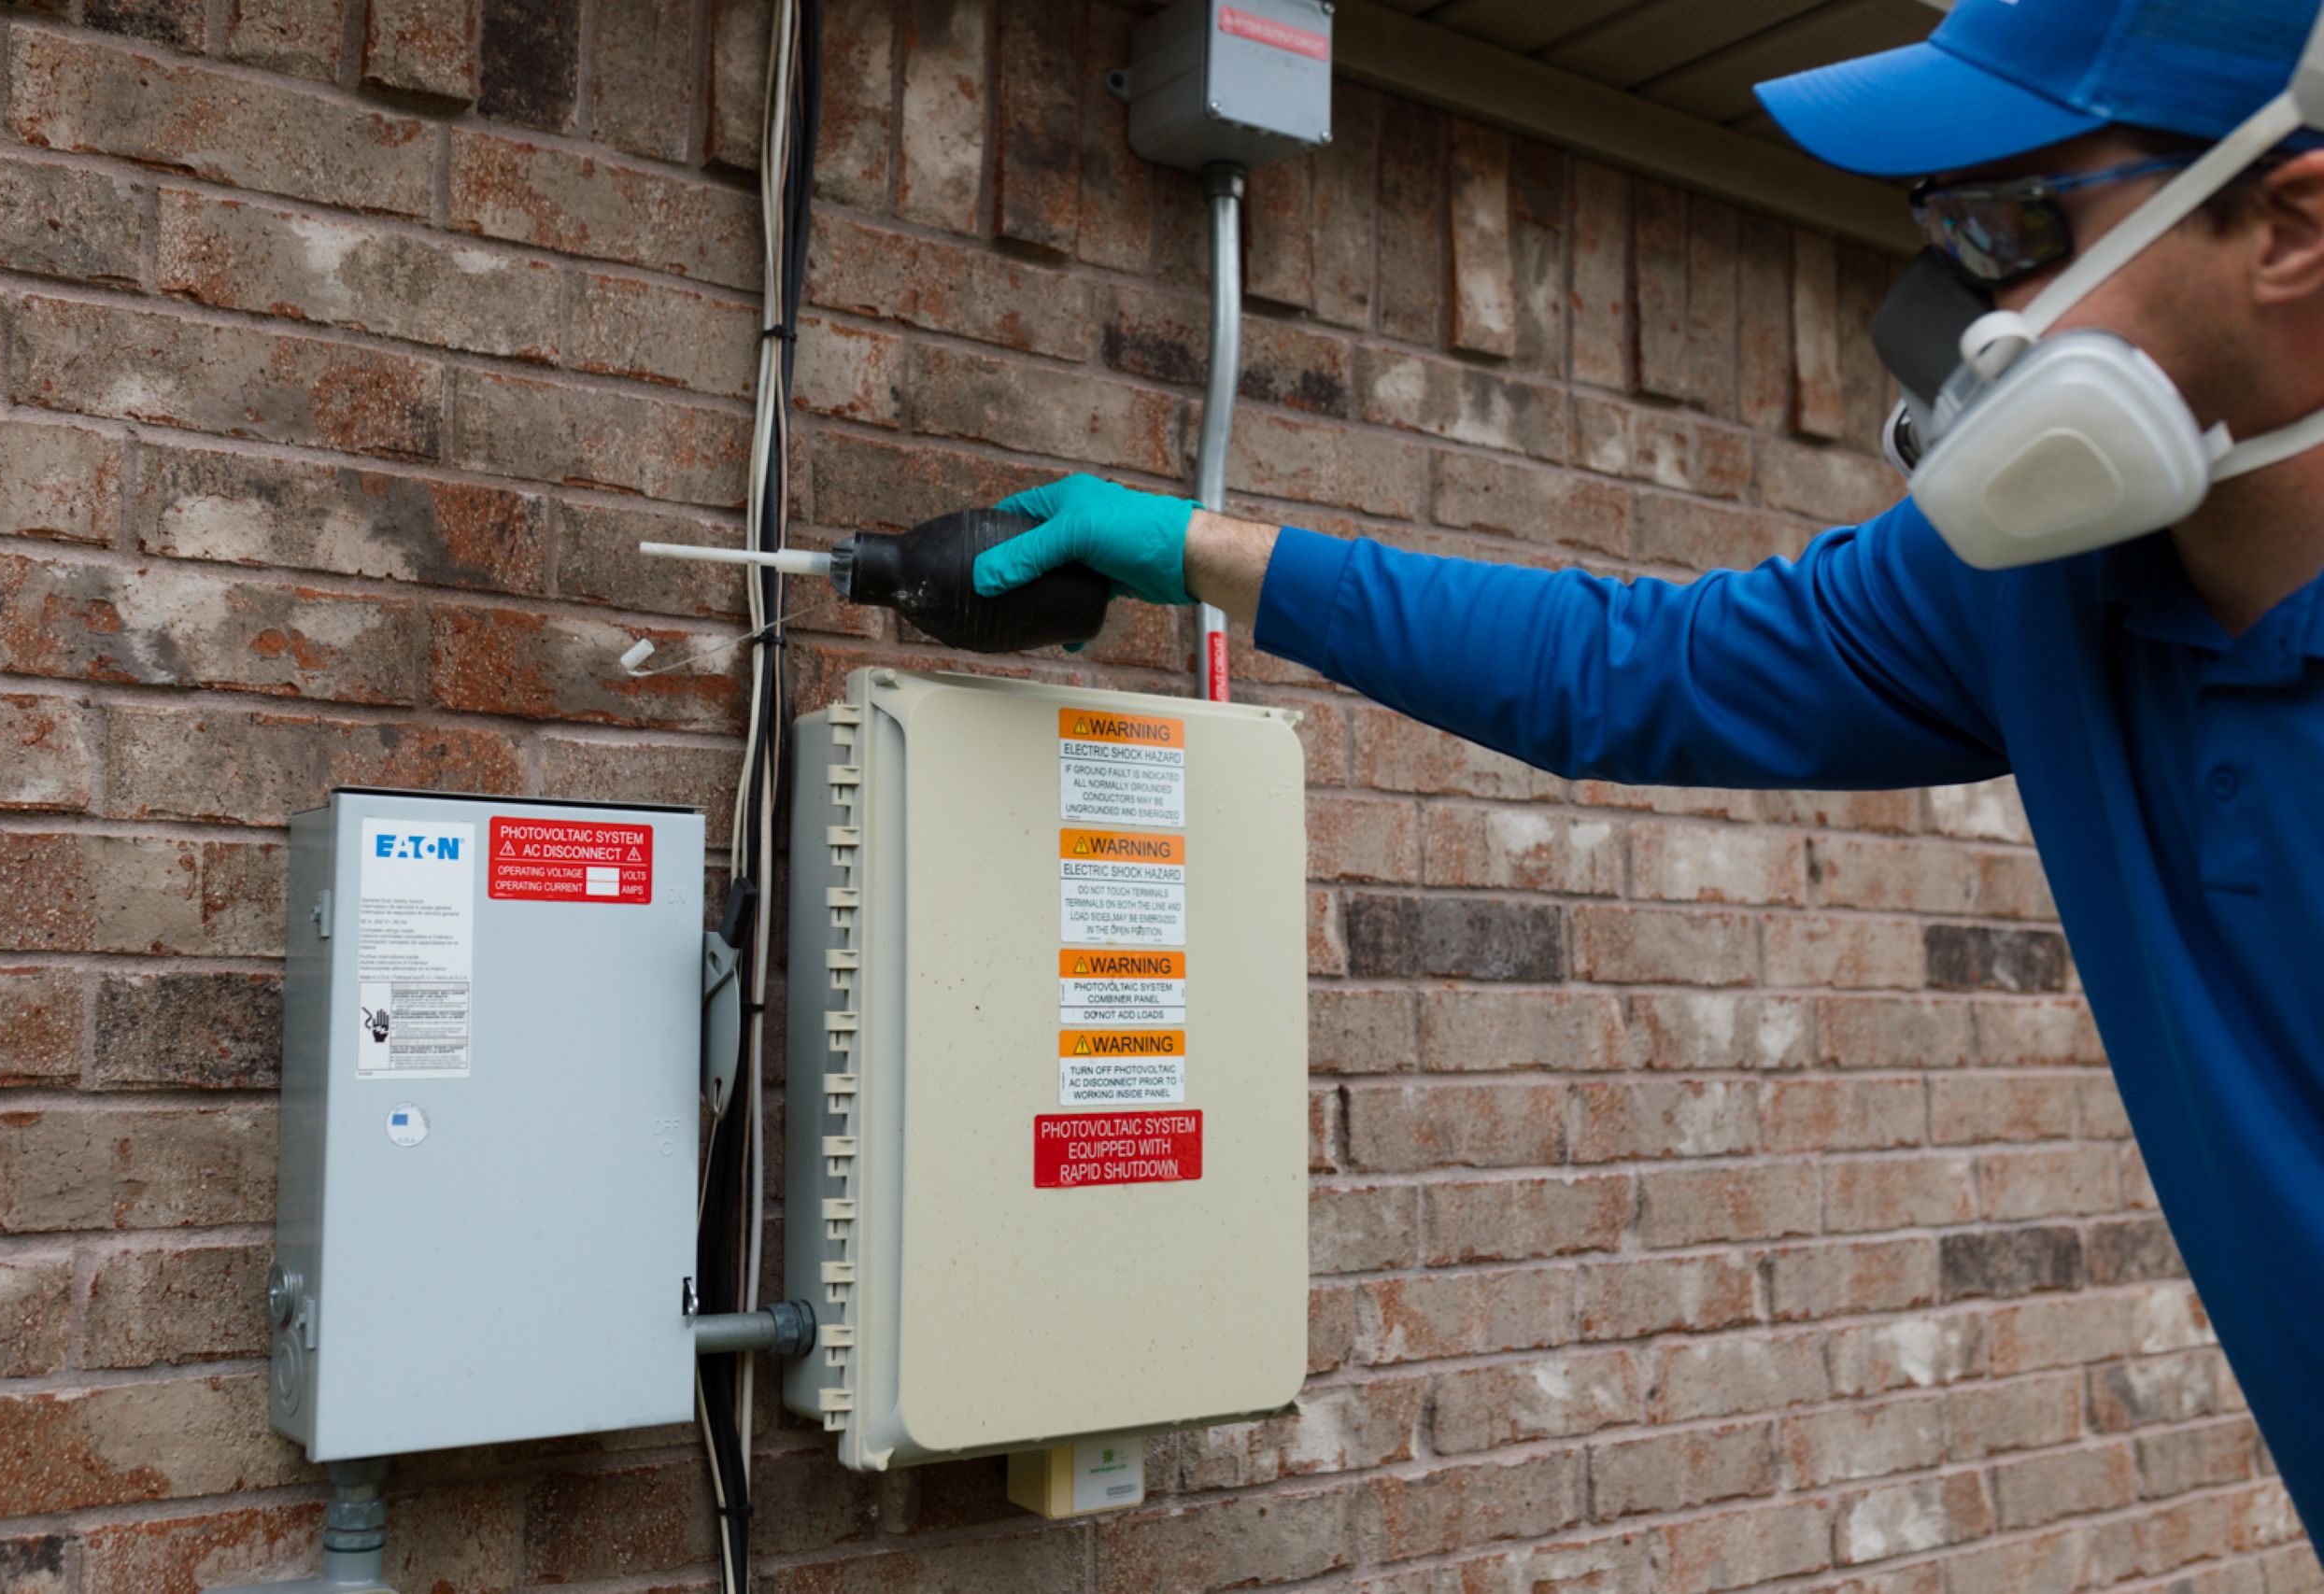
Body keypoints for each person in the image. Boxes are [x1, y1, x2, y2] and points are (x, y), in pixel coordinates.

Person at [974, 0, 2324, 1538]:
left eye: (2018, 224)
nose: (1964, 312)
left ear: (2290, 225)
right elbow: (1634, 668)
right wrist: (1189, 550)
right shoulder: (2023, 592)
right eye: (1943, 233)